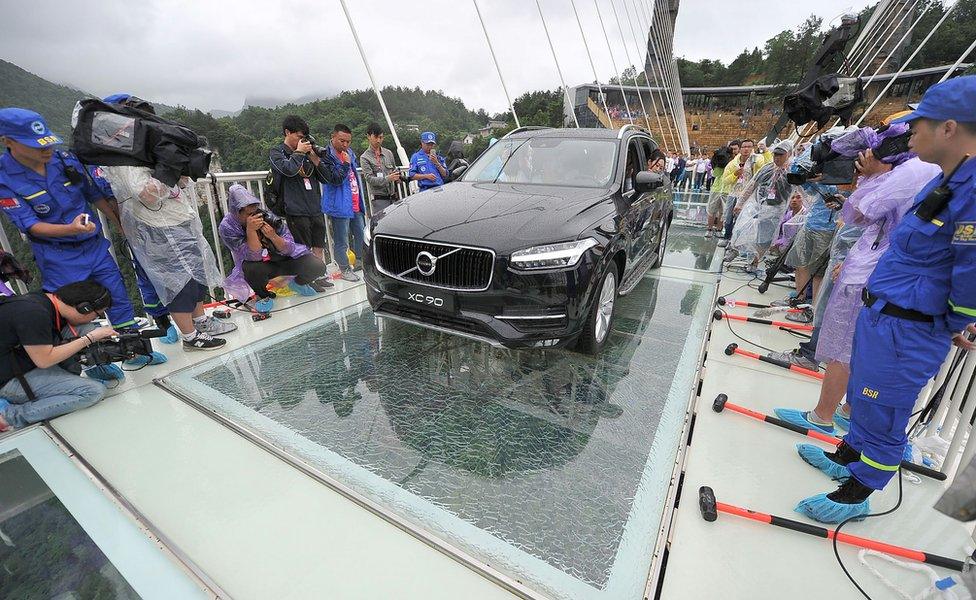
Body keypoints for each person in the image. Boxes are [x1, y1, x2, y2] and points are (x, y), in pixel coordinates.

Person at [794, 75, 976, 524]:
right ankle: (848, 456)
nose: (910, 135)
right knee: (863, 393)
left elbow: (971, 269)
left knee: (883, 406)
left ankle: (859, 491)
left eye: (919, 125)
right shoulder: (947, 182)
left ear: (949, 128)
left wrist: (960, 322)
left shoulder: (971, 193)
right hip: (885, 313)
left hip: (910, 324)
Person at [774, 147, 940, 438]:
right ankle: (848, 412)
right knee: (861, 348)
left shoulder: (912, 170)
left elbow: (857, 213)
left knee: (843, 345)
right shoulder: (936, 171)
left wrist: (872, 177)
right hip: (885, 271)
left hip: (871, 273)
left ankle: (822, 415)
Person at [0, 108, 162, 378]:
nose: (46, 151)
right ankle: (93, 361)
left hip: (94, 246)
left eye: (48, 143)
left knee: (116, 295)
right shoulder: (5, 180)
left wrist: (119, 223)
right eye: (36, 146)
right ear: (9, 141)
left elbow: (94, 194)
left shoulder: (64, 160)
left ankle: (134, 350)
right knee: (71, 311)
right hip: (57, 255)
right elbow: (29, 224)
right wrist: (69, 229)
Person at [98, 97, 232, 351]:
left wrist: (180, 166)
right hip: (157, 227)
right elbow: (146, 194)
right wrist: (168, 167)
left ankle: (200, 320)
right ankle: (191, 336)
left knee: (193, 275)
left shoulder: (151, 150)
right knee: (176, 282)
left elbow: (178, 184)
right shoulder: (125, 156)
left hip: (178, 219)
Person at [0, 281, 119, 432]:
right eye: (98, 314)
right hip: (9, 379)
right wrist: (88, 339)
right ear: (84, 308)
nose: (94, 319)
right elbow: (44, 360)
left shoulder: (42, 300)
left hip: (20, 358)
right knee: (94, 391)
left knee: (85, 329)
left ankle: (77, 375)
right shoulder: (33, 314)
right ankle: (9, 416)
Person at [85, 163, 180, 345]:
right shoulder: (98, 167)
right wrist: (121, 225)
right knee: (148, 275)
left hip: (162, 221)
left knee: (175, 270)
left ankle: (187, 317)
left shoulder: (132, 152)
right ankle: (163, 322)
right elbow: (109, 198)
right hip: (135, 227)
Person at [218, 184, 327, 312]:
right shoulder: (227, 227)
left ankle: (298, 283)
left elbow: (290, 248)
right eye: (249, 214)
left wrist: (273, 236)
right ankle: (263, 296)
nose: (254, 216)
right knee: (251, 268)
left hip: (281, 258)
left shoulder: (268, 217)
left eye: (255, 212)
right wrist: (251, 231)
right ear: (237, 212)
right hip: (260, 265)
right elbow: (254, 256)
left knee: (317, 265)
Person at [269, 115, 335, 290]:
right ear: (287, 132)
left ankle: (319, 275)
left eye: (304, 138)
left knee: (318, 245)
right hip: (295, 208)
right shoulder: (277, 152)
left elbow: (326, 179)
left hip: (314, 206)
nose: (302, 141)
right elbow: (288, 170)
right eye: (299, 136)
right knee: (302, 248)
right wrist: (298, 152)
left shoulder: (307, 155)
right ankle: (306, 280)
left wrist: (314, 158)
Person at [729, 140, 795, 276]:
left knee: (764, 238)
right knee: (742, 228)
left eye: (780, 155)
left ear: (788, 154)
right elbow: (751, 186)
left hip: (776, 209)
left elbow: (799, 192)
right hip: (758, 206)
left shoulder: (792, 172)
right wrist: (740, 203)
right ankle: (735, 250)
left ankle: (754, 262)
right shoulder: (767, 168)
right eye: (775, 155)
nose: (777, 158)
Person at [322, 124, 366, 282]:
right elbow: (335, 179)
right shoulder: (326, 156)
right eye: (342, 141)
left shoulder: (350, 153)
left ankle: (361, 262)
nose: (345, 144)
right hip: (340, 204)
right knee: (342, 240)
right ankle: (344, 268)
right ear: (332, 137)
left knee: (360, 234)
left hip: (355, 202)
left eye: (348, 141)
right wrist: (345, 164)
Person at [719, 139, 766, 247]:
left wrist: (762, 153)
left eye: (749, 147)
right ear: (740, 149)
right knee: (729, 217)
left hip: (748, 195)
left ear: (753, 148)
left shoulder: (757, 160)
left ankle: (737, 242)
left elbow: (763, 168)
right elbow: (725, 180)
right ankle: (727, 237)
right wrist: (735, 174)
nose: (746, 149)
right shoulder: (733, 163)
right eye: (744, 147)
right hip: (733, 194)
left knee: (743, 218)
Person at [359, 122, 401, 214]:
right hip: (379, 200)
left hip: (393, 198)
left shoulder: (388, 153)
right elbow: (369, 179)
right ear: (369, 136)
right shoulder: (364, 157)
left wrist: (397, 176)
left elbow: (394, 169)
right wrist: (388, 178)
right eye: (376, 137)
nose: (378, 140)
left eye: (381, 137)